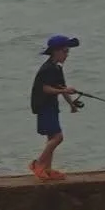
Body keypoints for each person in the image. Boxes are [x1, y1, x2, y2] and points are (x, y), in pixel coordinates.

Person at [29, 35, 80, 182]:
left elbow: (61, 87)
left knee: (52, 137)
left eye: (68, 51)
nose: (67, 55)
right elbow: (45, 89)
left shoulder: (56, 68)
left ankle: (47, 169)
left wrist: (71, 104)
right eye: (65, 51)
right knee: (58, 137)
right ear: (55, 51)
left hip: (51, 105)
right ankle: (38, 164)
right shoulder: (48, 69)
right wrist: (64, 90)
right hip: (44, 105)